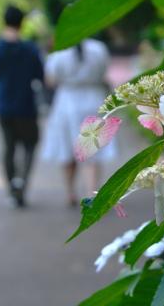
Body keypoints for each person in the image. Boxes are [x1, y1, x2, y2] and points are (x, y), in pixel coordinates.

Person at [41, 39, 115, 207]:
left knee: (67, 149)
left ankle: (70, 192)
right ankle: (92, 192)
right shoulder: (98, 47)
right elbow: (104, 72)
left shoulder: (60, 51)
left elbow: (50, 80)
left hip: (67, 101)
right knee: (92, 150)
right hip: (93, 100)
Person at [0, 5, 44, 208]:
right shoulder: (30, 49)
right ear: (22, 23)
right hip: (26, 104)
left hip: (3, 104)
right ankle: (22, 184)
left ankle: (11, 187)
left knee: (9, 147)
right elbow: (39, 76)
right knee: (30, 145)